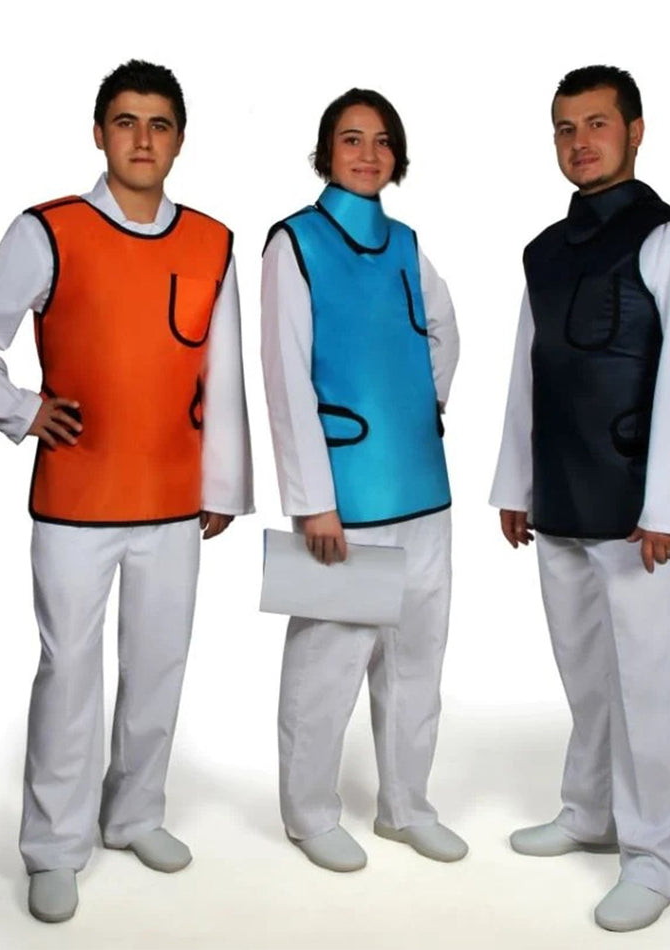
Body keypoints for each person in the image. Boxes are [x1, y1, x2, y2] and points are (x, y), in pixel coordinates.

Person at [0, 60, 253, 923]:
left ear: (179, 140)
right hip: (77, 500)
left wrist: (223, 483)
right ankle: (52, 846)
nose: (142, 139)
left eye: (159, 124)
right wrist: (20, 409)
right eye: (125, 122)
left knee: (160, 663)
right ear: (99, 134)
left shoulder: (212, 241)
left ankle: (135, 813)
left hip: (174, 500)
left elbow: (222, 369)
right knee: (70, 670)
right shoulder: (51, 230)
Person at [490, 65, 670, 932]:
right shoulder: (545, 253)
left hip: (640, 519)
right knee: (589, 679)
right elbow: (532, 370)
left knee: (655, 686)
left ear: (635, 130)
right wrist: (516, 484)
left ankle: (658, 858)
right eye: (565, 128)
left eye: (596, 123)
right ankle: (590, 811)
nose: (580, 141)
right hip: (560, 501)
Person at [261, 88, 466, 873]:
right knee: (327, 665)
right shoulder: (296, 243)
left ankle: (406, 806)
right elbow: (285, 377)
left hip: (424, 491)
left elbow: (444, 330)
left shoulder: (407, 244)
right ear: (326, 152)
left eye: (382, 141)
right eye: (351, 139)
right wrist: (313, 501)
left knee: (418, 660)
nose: (368, 154)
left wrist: (425, 403)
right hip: (346, 501)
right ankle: (310, 814)